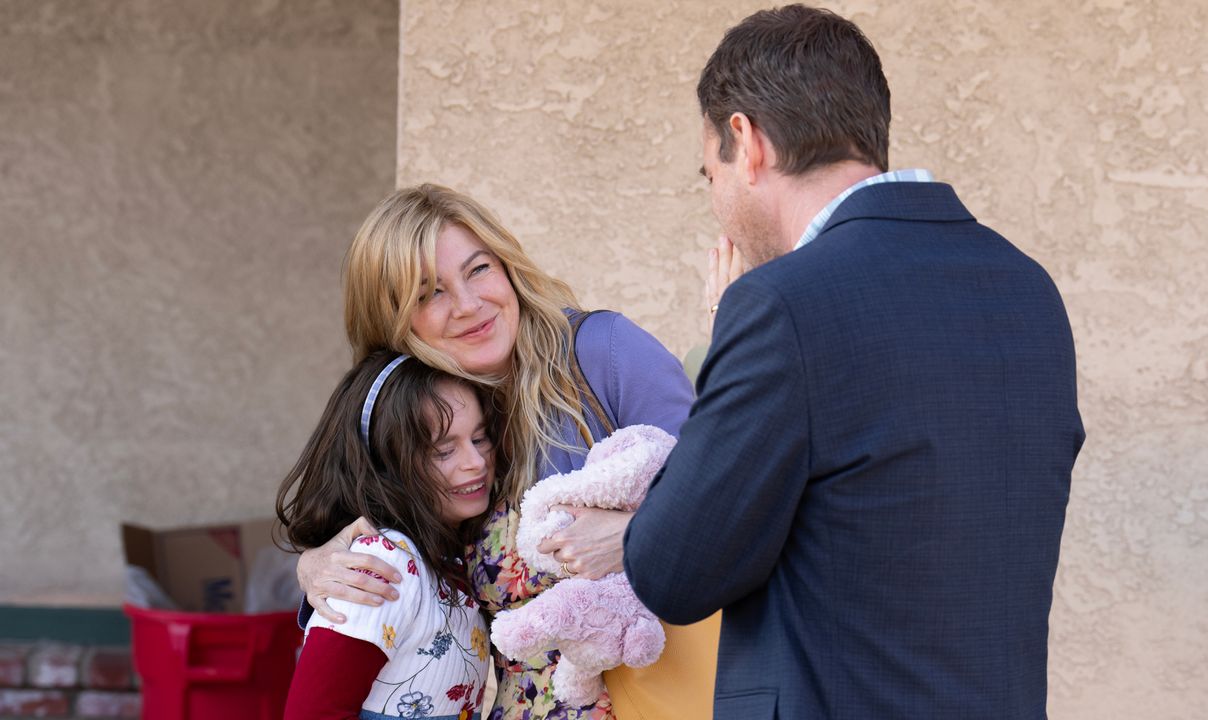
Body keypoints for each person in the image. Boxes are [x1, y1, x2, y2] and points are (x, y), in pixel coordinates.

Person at [623, 5, 1086, 719]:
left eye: (708, 171)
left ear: (746, 142)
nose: (716, 199)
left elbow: (674, 571)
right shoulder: (1029, 291)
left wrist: (722, 343)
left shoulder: (781, 306)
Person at [295, 184, 720, 719]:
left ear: (507, 265)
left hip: (669, 695)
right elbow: (388, 546)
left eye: (478, 269)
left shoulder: (603, 353)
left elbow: (724, 493)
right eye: (430, 293)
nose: (469, 305)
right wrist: (316, 567)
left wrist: (635, 537)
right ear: (394, 322)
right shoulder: (424, 430)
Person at [278, 350, 497, 719]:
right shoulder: (381, 564)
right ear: (386, 465)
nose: (474, 463)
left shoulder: (452, 556)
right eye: (444, 450)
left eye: (479, 438)